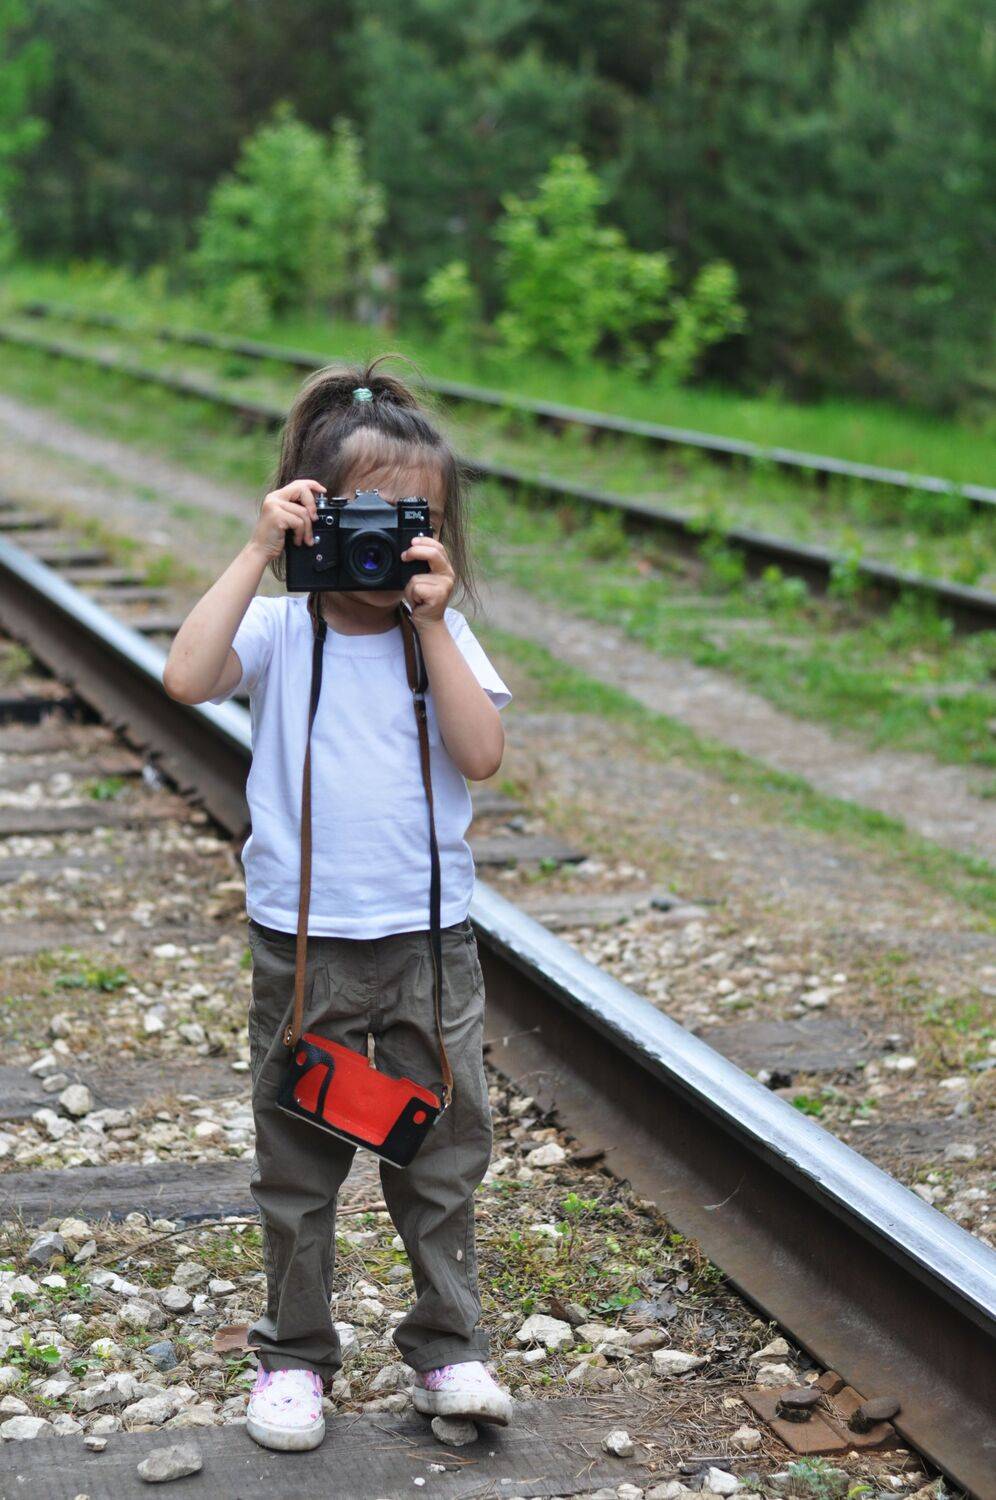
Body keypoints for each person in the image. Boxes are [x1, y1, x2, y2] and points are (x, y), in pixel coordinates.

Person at [162, 356, 514, 1453]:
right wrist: (257, 553)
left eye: (416, 521)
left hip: (429, 943)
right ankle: (293, 1357)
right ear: (313, 513)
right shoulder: (280, 630)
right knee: (298, 1159)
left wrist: (434, 624)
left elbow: (483, 754)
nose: (386, 546)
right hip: (304, 942)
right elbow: (185, 678)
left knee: (443, 1153)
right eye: (365, 519)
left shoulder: (441, 637)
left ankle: (449, 1348)